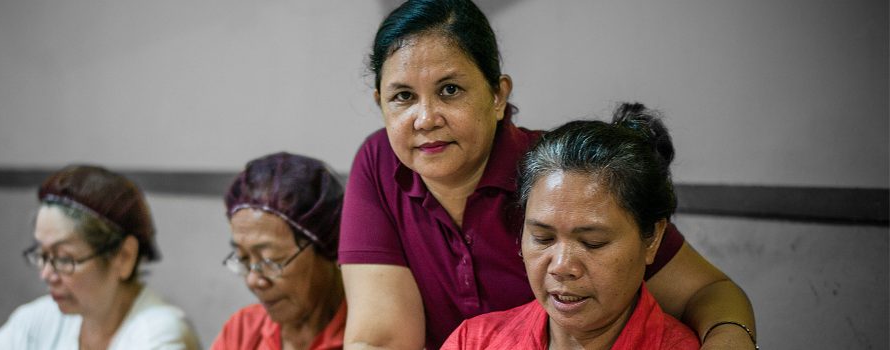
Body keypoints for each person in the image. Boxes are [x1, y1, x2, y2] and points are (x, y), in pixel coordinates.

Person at [338, 1, 756, 349]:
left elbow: (708, 293)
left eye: (450, 90)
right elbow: (381, 337)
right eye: (402, 96)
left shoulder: (559, 176)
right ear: (380, 102)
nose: (425, 118)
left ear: (498, 94)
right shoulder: (381, 163)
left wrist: (729, 340)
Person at [441, 103, 702, 349]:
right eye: (543, 238)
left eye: (593, 243)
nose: (562, 267)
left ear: (652, 239)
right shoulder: (474, 341)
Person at [0, 165, 201, 350]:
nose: (46, 274)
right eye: (42, 254)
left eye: (64, 259)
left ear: (124, 257)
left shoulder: (158, 335)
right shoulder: (39, 320)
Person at [210, 152, 346, 350]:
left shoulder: (371, 336)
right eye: (243, 259)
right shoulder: (243, 331)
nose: (253, 280)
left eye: (271, 260)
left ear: (329, 244)